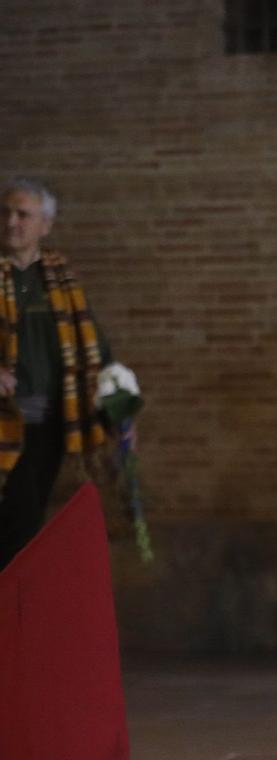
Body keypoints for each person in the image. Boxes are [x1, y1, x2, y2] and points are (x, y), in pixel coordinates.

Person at [0, 176, 115, 568]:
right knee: (19, 522)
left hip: (49, 422)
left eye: (23, 214)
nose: (11, 222)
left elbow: (95, 350)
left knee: (27, 520)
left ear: (45, 225)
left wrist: (123, 406)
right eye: (5, 212)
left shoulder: (60, 283)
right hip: (5, 420)